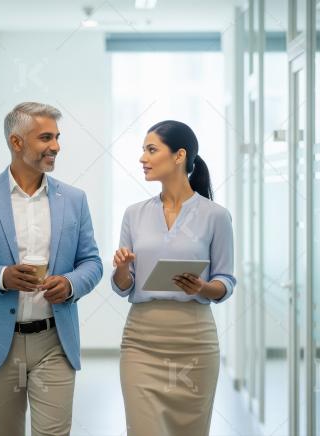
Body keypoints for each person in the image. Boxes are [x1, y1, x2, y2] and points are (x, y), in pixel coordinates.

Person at [0, 102, 103, 436]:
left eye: (57, 137)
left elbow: (93, 263)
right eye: (46, 137)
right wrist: (1, 277)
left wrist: (70, 284)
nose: (56, 146)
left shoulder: (74, 199)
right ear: (17, 142)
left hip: (55, 340)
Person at [111, 120, 236, 436]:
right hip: (141, 341)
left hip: (194, 341)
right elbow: (123, 285)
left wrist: (204, 287)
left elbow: (226, 279)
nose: (143, 158)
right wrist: (123, 269)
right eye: (143, 150)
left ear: (179, 156)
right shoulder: (133, 213)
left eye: (151, 150)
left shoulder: (216, 216)